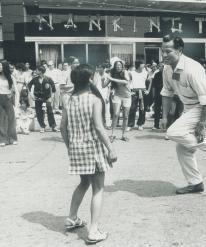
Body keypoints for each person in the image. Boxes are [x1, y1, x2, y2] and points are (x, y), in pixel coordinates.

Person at [60, 64, 117, 244]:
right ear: (90, 79)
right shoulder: (94, 99)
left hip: (76, 148)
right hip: (93, 147)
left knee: (84, 182)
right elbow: (99, 128)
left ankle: (72, 217)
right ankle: (93, 231)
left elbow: (63, 127)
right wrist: (111, 148)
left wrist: (70, 146)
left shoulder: (68, 99)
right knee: (98, 189)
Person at [161, 34, 206, 194]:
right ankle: (196, 183)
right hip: (189, 109)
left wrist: (201, 125)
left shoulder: (192, 68)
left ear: (179, 50)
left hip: (205, 107)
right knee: (183, 149)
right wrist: (165, 116)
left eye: (168, 51)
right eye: (163, 51)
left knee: (173, 132)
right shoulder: (167, 69)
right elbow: (167, 93)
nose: (164, 55)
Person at [105, 60, 131, 141]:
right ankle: (112, 134)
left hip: (127, 96)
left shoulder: (125, 72)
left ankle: (124, 135)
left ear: (122, 66)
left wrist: (112, 78)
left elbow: (126, 81)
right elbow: (104, 85)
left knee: (125, 116)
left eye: (120, 65)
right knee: (116, 114)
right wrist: (103, 78)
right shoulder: (112, 73)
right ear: (115, 66)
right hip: (117, 95)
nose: (118, 66)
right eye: (117, 65)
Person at [28, 65, 59, 133]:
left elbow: (54, 89)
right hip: (38, 98)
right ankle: (42, 126)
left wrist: (51, 98)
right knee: (39, 113)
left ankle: (53, 126)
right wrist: (31, 95)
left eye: (37, 70)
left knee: (50, 112)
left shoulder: (48, 79)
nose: (36, 71)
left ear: (41, 71)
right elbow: (29, 86)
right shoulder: (35, 79)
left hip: (47, 98)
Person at [127, 60, 149, 131]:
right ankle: (130, 125)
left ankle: (140, 124)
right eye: (142, 64)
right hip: (134, 92)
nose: (144, 65)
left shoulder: (146, 73)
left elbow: (149, 82)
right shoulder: (131, 73)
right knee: (132, 108)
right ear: (138, 65)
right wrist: (130, 91)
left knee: (142, 109)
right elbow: (128, 83)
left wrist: (147, 90)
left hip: (143, 91)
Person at [0, 61, 18, 146]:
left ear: (5, 67)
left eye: (0, 66)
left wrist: (11, 95)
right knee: (1, 120)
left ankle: (12, 138)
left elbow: (15, 89)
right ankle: (3, 139)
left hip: (8, 99)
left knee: (11, 119)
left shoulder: (11, 77)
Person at [93, 63, 111, 129]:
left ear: (104, 68)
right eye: (98, 67)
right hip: (97, 95)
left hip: (105, 95)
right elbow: (94, 85)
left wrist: (108, 97)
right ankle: (100, 124)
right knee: (98, 110)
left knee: (107, 110)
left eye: (100, 68)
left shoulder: (107, 75)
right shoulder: (96, 75)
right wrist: (96, 74)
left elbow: (109, 88)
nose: (99, 69)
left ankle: (108, 124)